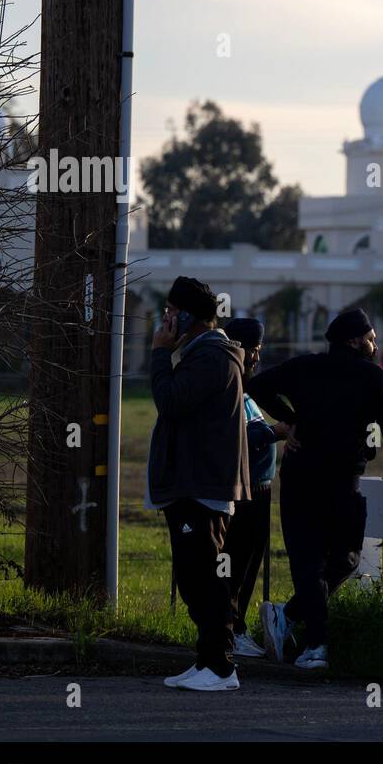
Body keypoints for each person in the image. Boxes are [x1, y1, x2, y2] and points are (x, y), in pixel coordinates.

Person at [246, 308, 383, 671]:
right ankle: (315, 645)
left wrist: (290, 419)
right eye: (370, 337)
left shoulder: (305, 366)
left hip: (300, 476)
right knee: (344, 558)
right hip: (341, 479)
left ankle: (286, 618)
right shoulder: (374, 379)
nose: (375, 343)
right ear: (354, 340)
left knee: (310, 561)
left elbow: (255, 385)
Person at [147, 277, 251, 691]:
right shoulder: (200, 353)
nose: (166, 319)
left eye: (172, 311)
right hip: (193, 481)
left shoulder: (211, 356)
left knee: (204, 577)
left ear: (189, 316)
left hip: (202, 484)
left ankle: (222, 667)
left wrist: (158, 354)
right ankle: (206, 659)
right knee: (193, 575)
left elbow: (169, 400)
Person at [220, 317, 295, 658]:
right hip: (243, 488)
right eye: (254, 351)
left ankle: (238, 625)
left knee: (249, 564)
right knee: (234, 562)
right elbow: (236, 437)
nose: (257, 358)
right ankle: (229, 629)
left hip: (261, 486)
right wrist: (274, 433)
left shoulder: (247, 389)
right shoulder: (229, 386)